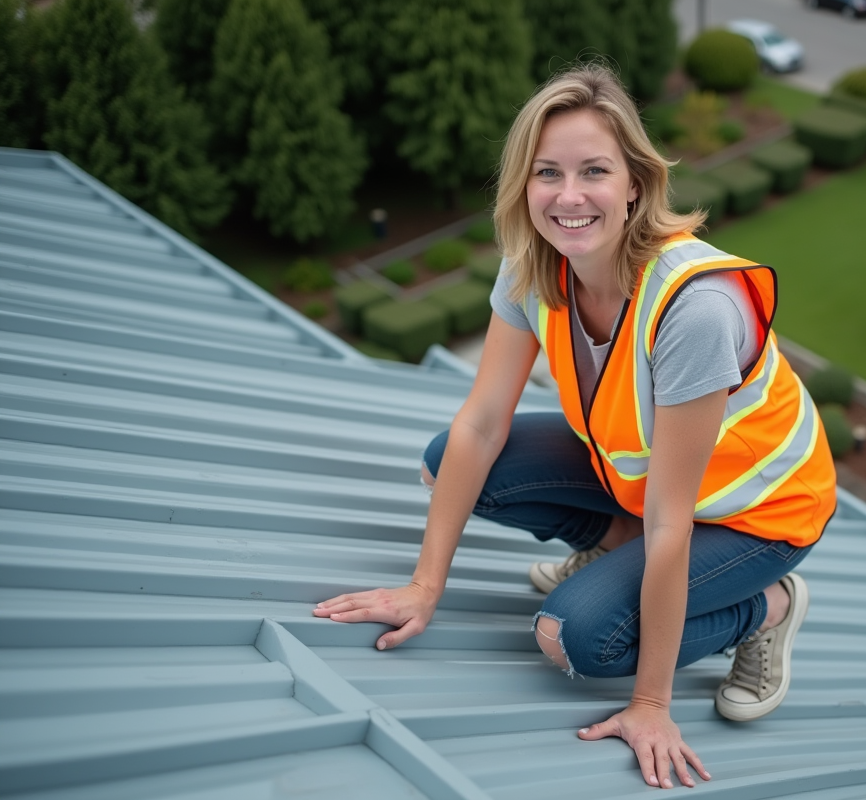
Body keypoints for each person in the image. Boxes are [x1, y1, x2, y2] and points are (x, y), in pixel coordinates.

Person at [314, 63, 837, 790]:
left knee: (574, 639)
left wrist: (650, 704)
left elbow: (671, 523)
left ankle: (765, 608)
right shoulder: (534, 265)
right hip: (649, 495)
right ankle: (609, 548)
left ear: (635, 184)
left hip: (758, 514)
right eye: (546, 173)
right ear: (523, 187)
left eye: (594, 170)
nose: (568, 197)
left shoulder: (693, 310)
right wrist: (422, 586)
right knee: (448, 465)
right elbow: (481, 424)